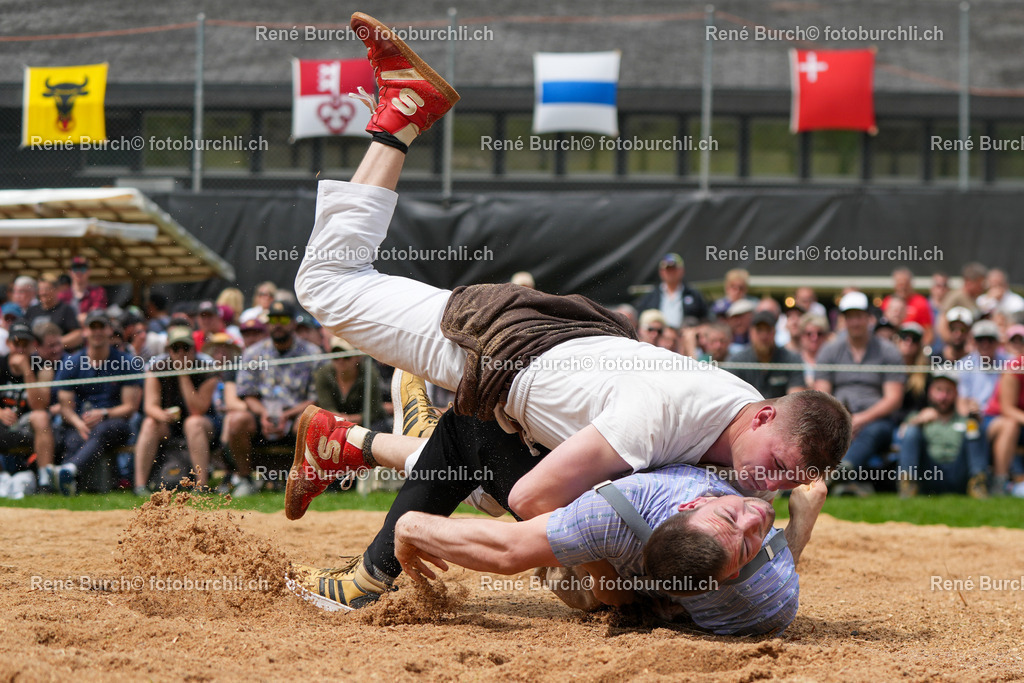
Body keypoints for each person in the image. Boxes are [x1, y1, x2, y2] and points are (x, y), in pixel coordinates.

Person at [293, 14, 850, 518]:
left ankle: (343, 441)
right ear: (763, 418)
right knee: (327, 285)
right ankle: (402, 116)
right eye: (777, 467)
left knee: (488, 491)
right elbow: (537, 505)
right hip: (498, 351)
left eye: (786, 480)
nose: (769, 485)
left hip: (531, 373)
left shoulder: (735, 425)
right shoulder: (676, 415)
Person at [287, 377, 826, 636]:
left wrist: (794, 527)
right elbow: (511, 547)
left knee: (489, 491)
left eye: (754, 537)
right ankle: (370, 572)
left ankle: (349, 439)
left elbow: (762, 574)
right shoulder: (619, 510)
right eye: (745, 517)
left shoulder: (757, 583)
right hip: (594, 478)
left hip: (609, 506)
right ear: (689, 500)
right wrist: (408, 528)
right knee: (476, 444)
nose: (760, 511)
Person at [226, 300, 320, 496]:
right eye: (272, 319)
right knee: (236, 421)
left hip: (296, 415)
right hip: (262, 416)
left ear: (293, 323)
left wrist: (287, 415)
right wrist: (263, 413)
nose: (277, 324)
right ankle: (245, 478)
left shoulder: (312, 353)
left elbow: (315, 398)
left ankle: (304, 481)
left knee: (310, 421)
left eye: (283, 319)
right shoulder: (253, 353)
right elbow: (247, 394)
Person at [815, 291, 904, 495]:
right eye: (850, 317)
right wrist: (843, 419)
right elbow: (821, 394)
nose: (855, 322)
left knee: (874, 431)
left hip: (877, 419)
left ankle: (842, 470)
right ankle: (846, 481)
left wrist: (861, 419)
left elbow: (894, 398)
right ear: (843, 320)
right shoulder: (830, 350)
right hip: (838, 416)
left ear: (868, 318)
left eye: (859, 316)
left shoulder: (888, 351)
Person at [47, 311, 143, 495]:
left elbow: (130, 408)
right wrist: (78, 423)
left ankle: (68, 470)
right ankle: (69, 486)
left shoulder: (126, 362)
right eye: (93, 327)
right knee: (73, 438)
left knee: (102, 430)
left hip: (115, 423)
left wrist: (104, 413)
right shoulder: (72, 363)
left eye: (101, 327)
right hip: (81, 422)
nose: (97, 332)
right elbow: (65, 406)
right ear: (85, 331)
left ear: (109, 331)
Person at [133, 325, 220, 494]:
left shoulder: (207, 368)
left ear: (194, 349)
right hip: (169, 425)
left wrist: (183, 373)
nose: (181, 353)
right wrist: (163, 415)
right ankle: (140, 486)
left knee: (193, 423)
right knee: (150, 423)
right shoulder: (157, 368)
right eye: (175, 348)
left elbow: (197, 409)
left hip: (204, 426)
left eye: (186, 348)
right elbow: (150, 406)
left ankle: (202, 486)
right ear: (168, 350)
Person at [898, 373, 988, 498]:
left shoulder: (965, 419)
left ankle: (978, 484)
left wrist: (976, 419)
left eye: (948, 391)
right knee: (911, 430)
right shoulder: (918, 417)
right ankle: (908, 485)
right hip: (929, 473)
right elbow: (900, 436)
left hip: (959, 472)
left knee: (974, 429)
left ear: (956, 393)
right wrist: (918, 421)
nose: (943, 396)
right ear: (930, 391)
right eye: (939, 390)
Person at [726, 311, 805, 399]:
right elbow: (732, 397)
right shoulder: (737, 361)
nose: (764, 336)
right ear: (751, 332)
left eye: (768, 330)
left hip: (781, 411)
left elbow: (795, 399)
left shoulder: (791, 360)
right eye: (759, 330)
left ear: (775, 332)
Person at [314, 336, 386, 428]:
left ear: (357, 357)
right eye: (336, 356)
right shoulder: (323, 374)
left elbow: (373, 412)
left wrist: (348, 419)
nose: (341, 360)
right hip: (334, 423)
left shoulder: (370, 373)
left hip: (366, 424)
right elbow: (326, 407)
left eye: (346, 356)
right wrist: (340, 419)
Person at [633, 253, 708, 328]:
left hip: (686, 336)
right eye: (668, 269)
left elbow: (705, 318)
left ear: (682, 271)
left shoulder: (694, 295)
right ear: (661, 272)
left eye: (674, 269)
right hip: (658, 337)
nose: (671, 273)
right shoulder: (650, 297)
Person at [25, 274, 82, 351]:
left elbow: (77, 335)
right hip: (35, 356)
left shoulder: (65, 309)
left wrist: (53, 345)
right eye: (40, 289)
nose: (43, 293)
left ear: (56, 289)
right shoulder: (32, 310)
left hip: (59, 357)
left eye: (47, 289)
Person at [62, 256, 108, 325]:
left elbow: (97, 313)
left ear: (89, 271)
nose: (79, 272)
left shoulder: (98, 291)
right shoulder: (63, 295)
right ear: (70, 271)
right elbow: (60, 316)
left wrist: (73, 319)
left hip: (91, 330)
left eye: (83, 268)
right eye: (75, 268)